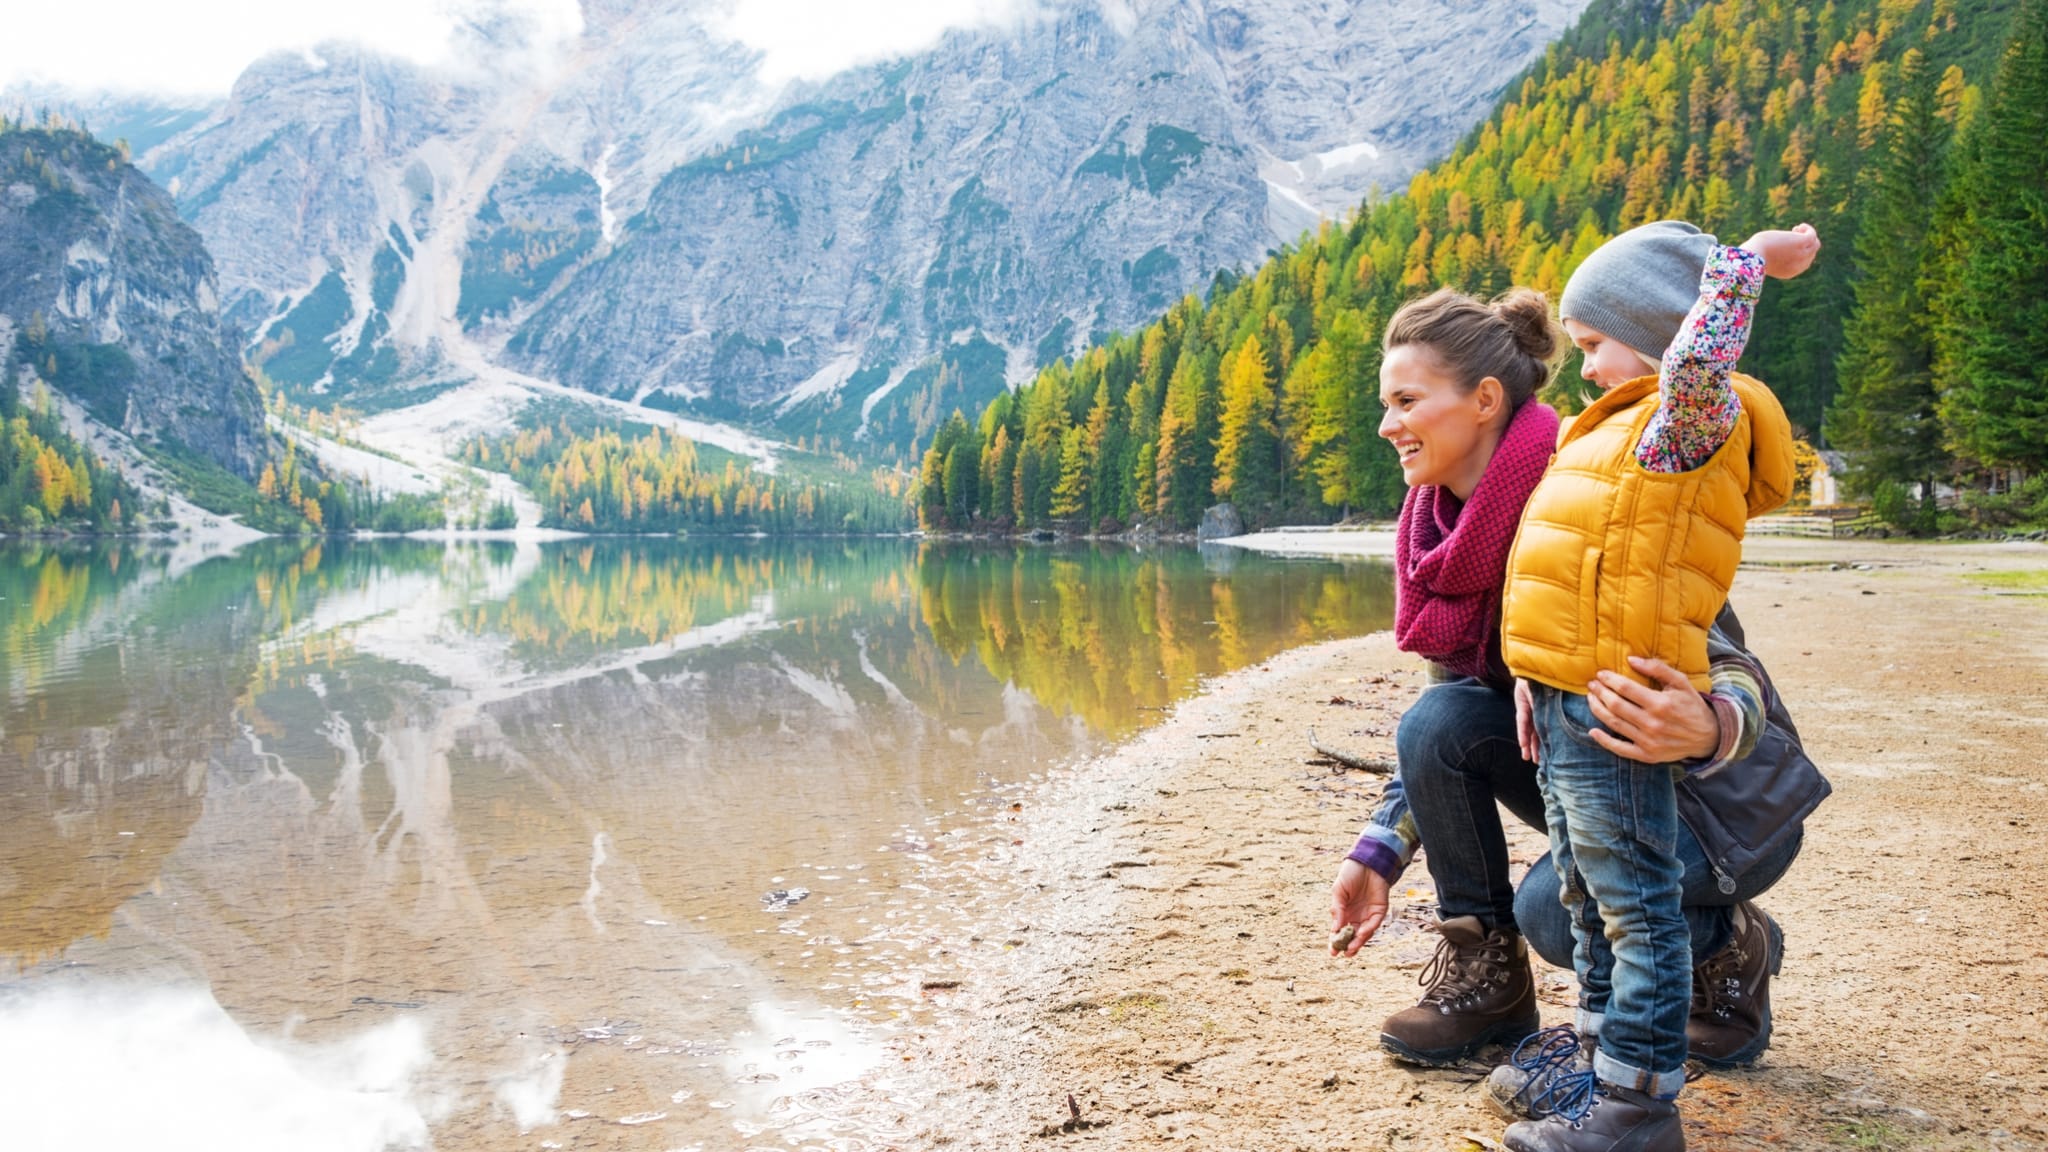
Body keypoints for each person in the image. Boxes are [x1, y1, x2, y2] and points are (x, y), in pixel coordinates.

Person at [1327, 223, 1823, 1152]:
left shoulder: (1602, 482)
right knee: (1443, 716)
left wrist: (1710, 723)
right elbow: (1445, 721)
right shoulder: (1454, 541)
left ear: (1480, 401)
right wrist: (1381, 851)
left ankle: (1728, 955)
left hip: (1712, 802)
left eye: (1403, 400)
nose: (1386, 424)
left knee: (1561, 907)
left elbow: (1732, 660)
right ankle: (1491, 991)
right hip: (1591, 770)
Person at [1490, 220, 1817, 1152]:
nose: (1583, 370)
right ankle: (1601, 1077)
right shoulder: (1620, 436)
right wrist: (1532, 675)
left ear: (1664, 333)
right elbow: (1575, 577)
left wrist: (1746, 264)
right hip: (1566, 705)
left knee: (1634, 908)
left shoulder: (1683, 427)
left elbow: (1704, 353)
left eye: (1593, 345)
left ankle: (1638, 1110)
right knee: (1590, 904)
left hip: (1620, 714)